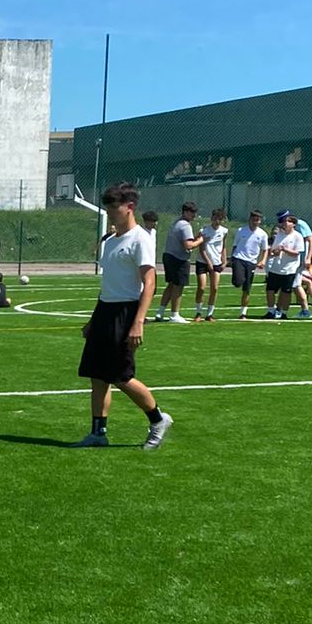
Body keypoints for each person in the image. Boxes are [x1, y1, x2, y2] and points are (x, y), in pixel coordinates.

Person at [76, 182, 173, 450]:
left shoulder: (141, 239)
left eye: (113, 207)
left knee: (120, 375)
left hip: (127, 312)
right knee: (97, 374)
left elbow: (150, 282)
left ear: (129, 207)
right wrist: (94, 320)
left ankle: (158, 420)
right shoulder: (109, 241)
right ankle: (98, 433)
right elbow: (108, 284)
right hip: (105, 311)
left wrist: (138, 322)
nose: (109, 212)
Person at [157, 200, 196, 322]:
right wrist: (201, 240)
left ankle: (160, 312)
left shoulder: (176, 222)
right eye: (192, 212)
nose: (194, 215)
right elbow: (188, 245)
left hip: (168, 255)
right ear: (185, 212)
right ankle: (175, 314)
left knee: (171, 285)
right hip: (179, 258)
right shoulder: (185, 225)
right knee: (178, 286)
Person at [263, 212, 306, 319]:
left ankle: (284, 312)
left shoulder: (297, 236)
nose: (285, 223)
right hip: (276, 267)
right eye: (284, 221)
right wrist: (276, 251)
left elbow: (297, 252)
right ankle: (271, 311)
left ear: (293, 224)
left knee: (286, 291)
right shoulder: (280, 234)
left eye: (288, 221)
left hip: (289, 268)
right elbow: (273, 250)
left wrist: (285, 249)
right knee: (270, 289)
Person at [192, 207, 227, 320]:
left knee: (214, 288)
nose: (217, 221)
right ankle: (198, 313)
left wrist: (224, 260)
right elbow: (202, 248)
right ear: (212, 218)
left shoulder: (224, 231)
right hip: (203, 262)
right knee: (202, 287)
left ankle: (209, 314)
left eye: (220, 219)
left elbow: (223, 246)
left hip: (216, 262)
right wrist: (208, 262)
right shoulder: (204, 231)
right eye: (215, 218)